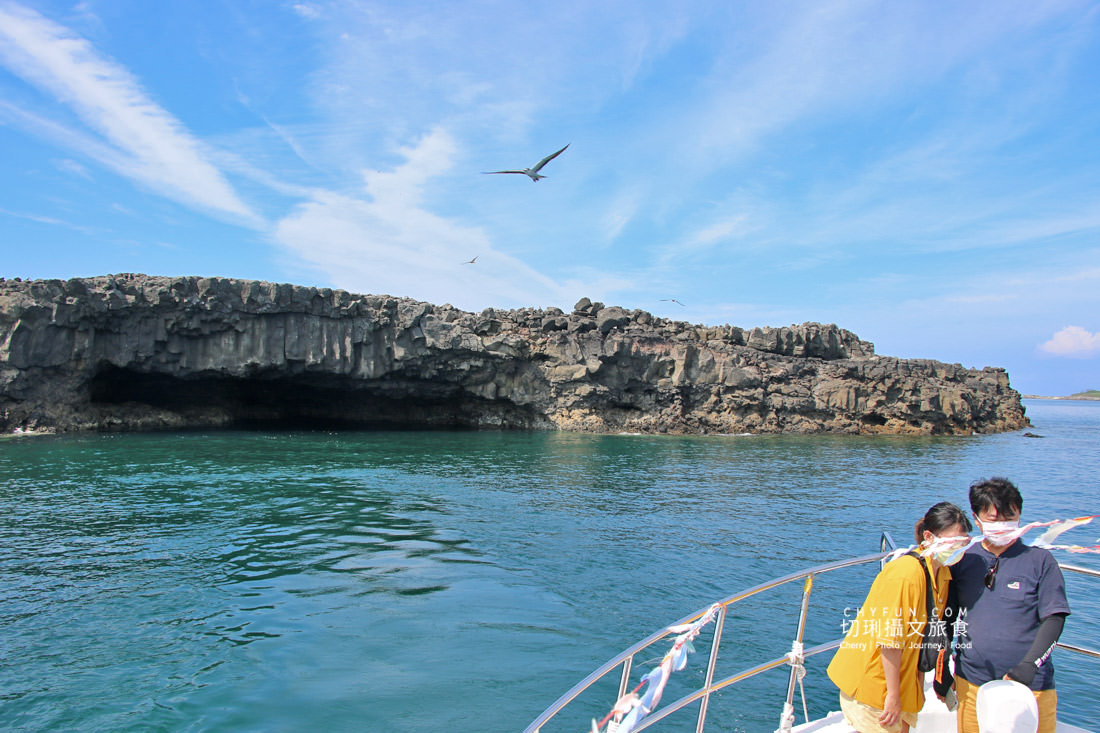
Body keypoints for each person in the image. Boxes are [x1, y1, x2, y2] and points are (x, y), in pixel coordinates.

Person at [827, 502, 971, 733]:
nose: (958, 548)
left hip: (906, 682)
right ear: (929, 537)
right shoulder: (905, 575)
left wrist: (940, 677)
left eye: (963, 542)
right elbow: (889, 641)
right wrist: (893, 697)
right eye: (953, 541)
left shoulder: (941, 574)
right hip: (876, 687)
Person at [951, 477, 1070, 733]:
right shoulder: (962, 559)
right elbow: (946, 614)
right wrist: (939, 665)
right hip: (971, 683)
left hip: (1030, 687)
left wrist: (1031, 664)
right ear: (977, 517)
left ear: (1020, 515)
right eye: (993, 519)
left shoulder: (1041, 561)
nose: (1002, 525)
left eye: (1009, 517)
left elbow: (1055, 617)